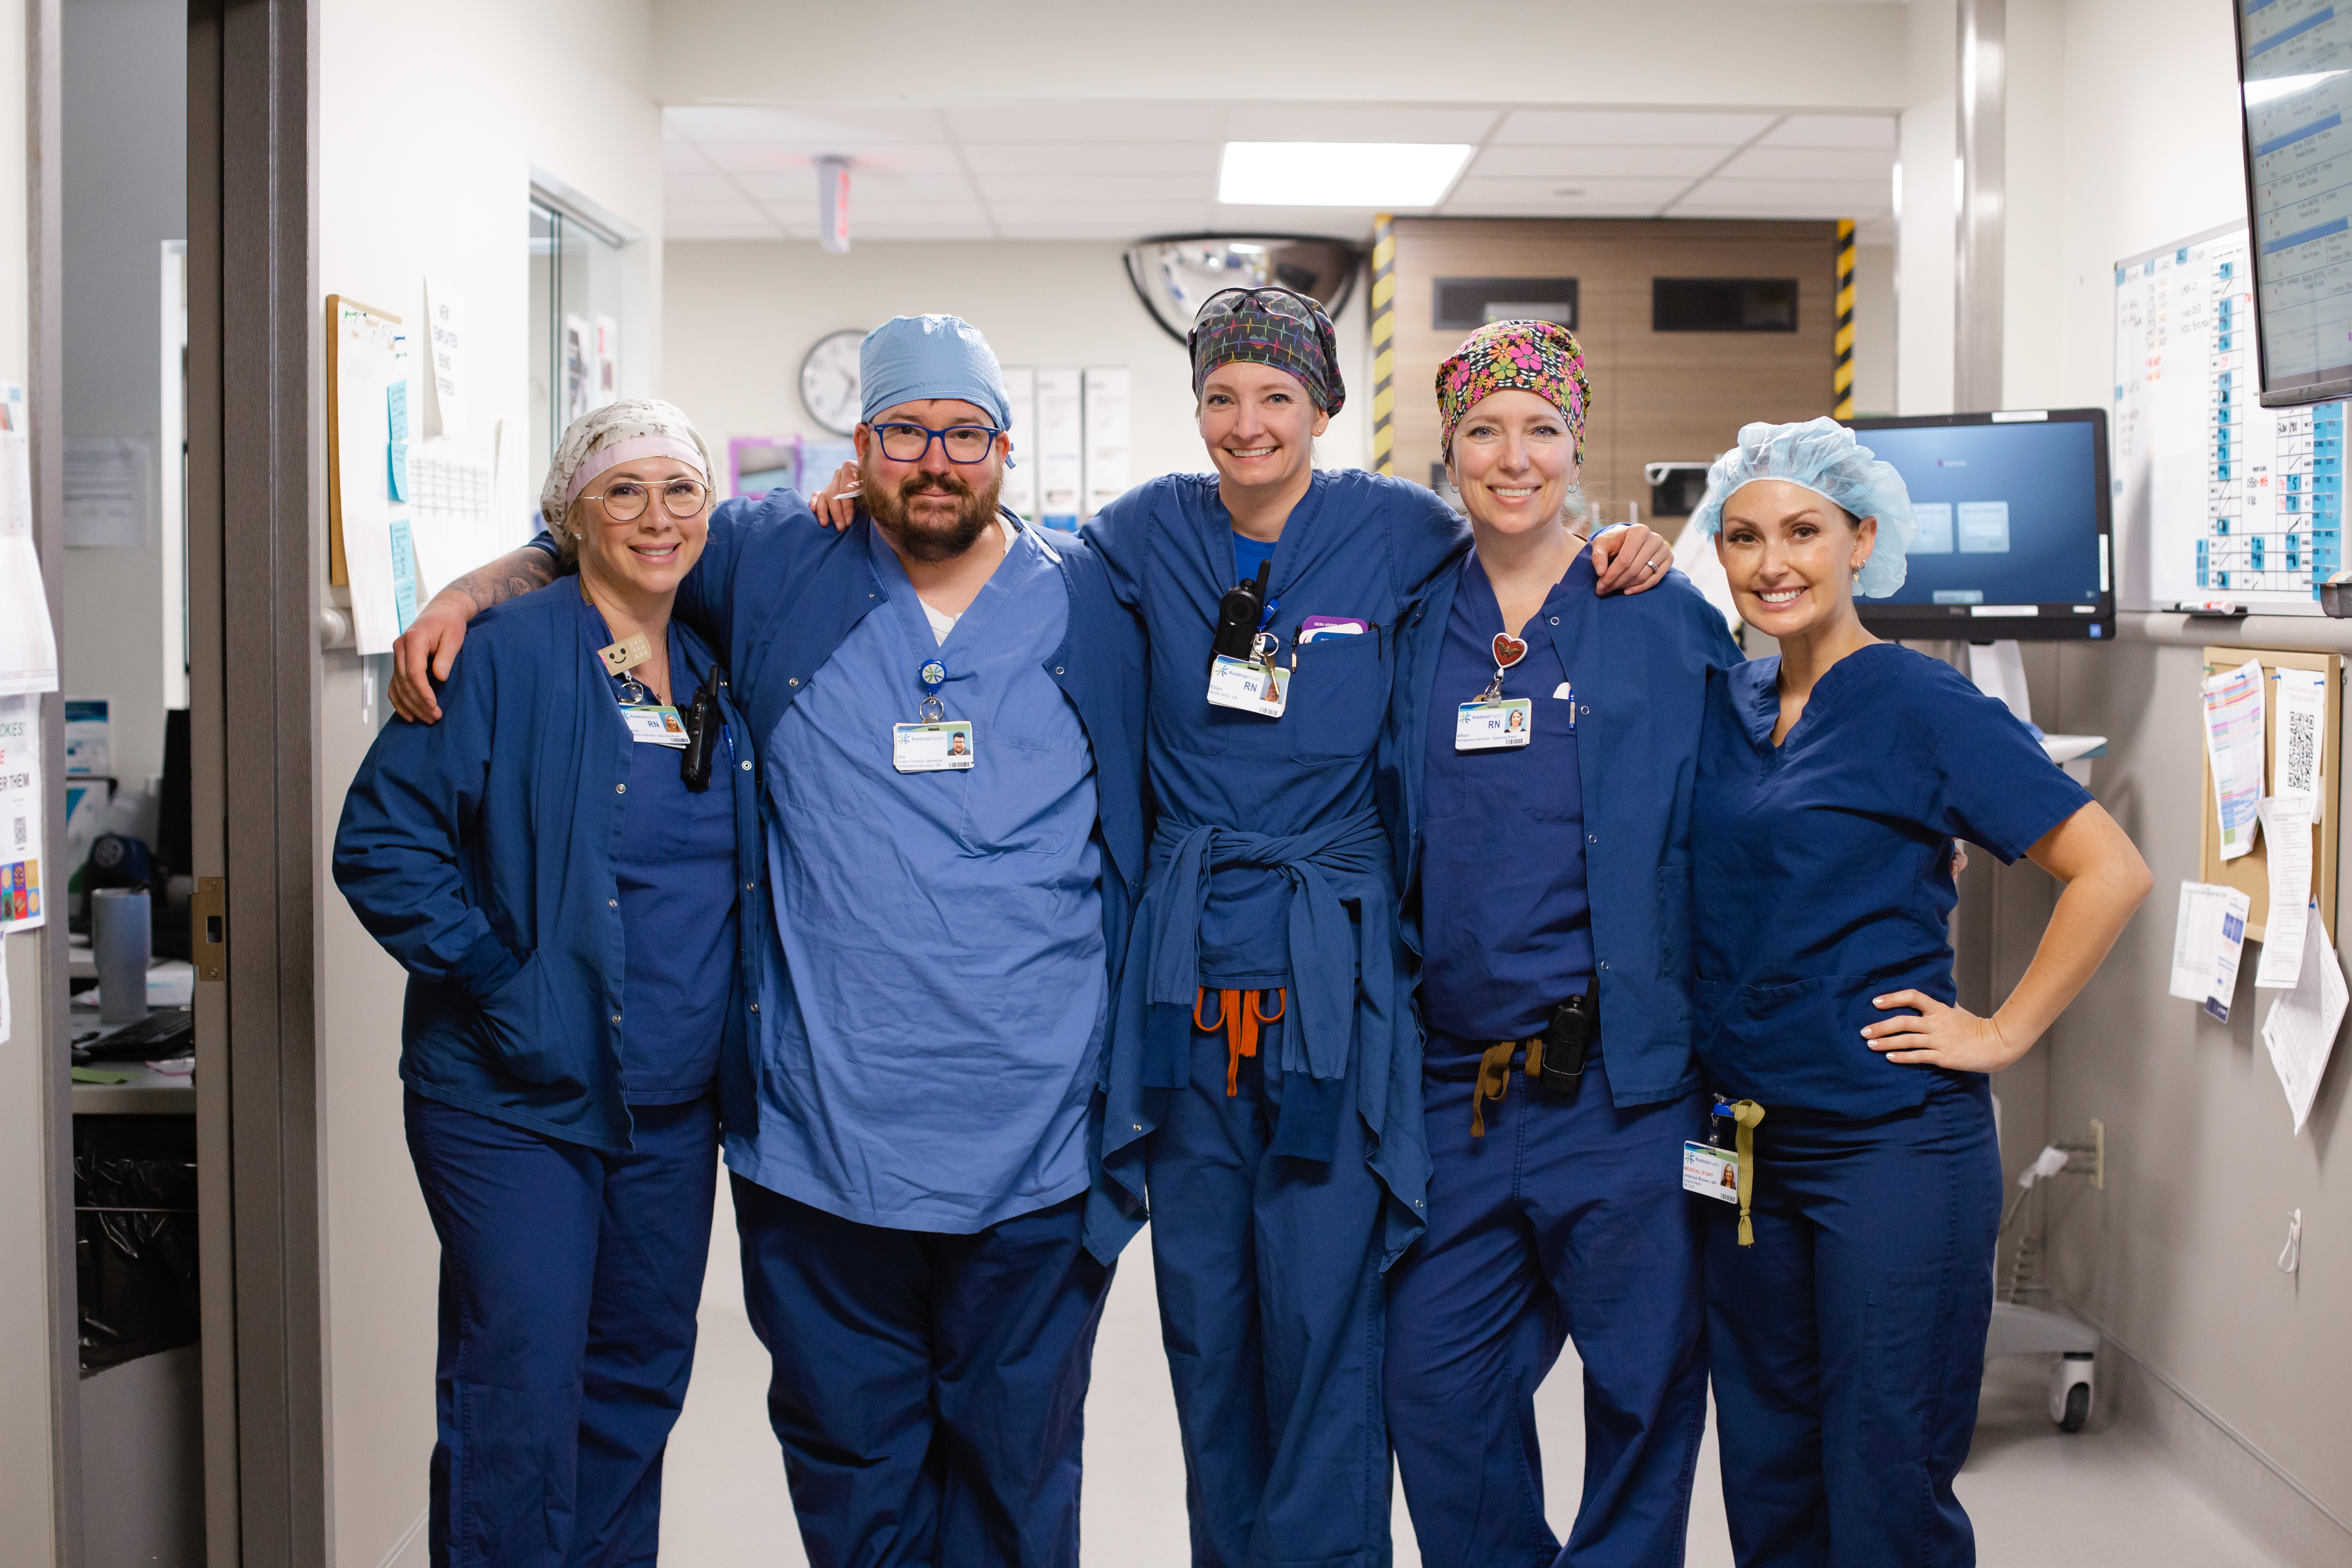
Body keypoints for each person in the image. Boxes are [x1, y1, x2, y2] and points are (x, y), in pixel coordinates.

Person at [806, 289, 1673, 1566]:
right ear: (1197, 409)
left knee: (1329, 1331)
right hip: (1188, 988)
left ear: (1325, 408)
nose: (1249, 423)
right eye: (1223, 396)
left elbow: (1522, 530)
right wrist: (860, 512)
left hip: (1333, 983)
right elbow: (991, 562)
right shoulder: (1144, 532)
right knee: (1207, 1327)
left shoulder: (1395, 531)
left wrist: (1627, 540)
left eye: (1277, 397)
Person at [386, 316, 1149, 1568]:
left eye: (964, 433)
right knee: (855, 1472)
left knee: (1017, 1469)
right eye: (904, 431)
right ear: (859, 446)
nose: (936, 459)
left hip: (1036, 1134)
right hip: (822, 1140)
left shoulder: (1091, 600)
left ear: (1009, 448)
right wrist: (470, 592)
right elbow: (608, 533)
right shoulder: (777, 560)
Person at [1688, 418, 2150, 1566]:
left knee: (1886, 1476)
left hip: (1889, 1149)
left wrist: (2002, 1030)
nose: (1772, 563)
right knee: (1770, 1471)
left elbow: (2111, 869)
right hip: (1744, 1148)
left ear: (1863, 540)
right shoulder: (1730, 707)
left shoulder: (1918, 704)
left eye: (1803, 532)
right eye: (1743, 538)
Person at [335, 401, 760, 1565]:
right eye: (623, 491)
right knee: (517, 1385)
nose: (656, 516)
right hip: (512, 1098)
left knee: (634, 1385)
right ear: (572, 513)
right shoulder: (503, 656)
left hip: (671, 1111)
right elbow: (382, 841)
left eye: (680, 489)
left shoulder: (712, 661)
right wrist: (496, 980)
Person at [1379, 320, 1743, 1567]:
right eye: (1485, 429)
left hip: (1625, 1091)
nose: (1513, 456)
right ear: (1450, 449)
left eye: (1541, 429)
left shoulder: (1655, 606)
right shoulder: (1416, 617)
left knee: (1645, 1390)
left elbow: (1760, 771)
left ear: (1577, 446)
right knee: (1434, 1387)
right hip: (1460, 1087)